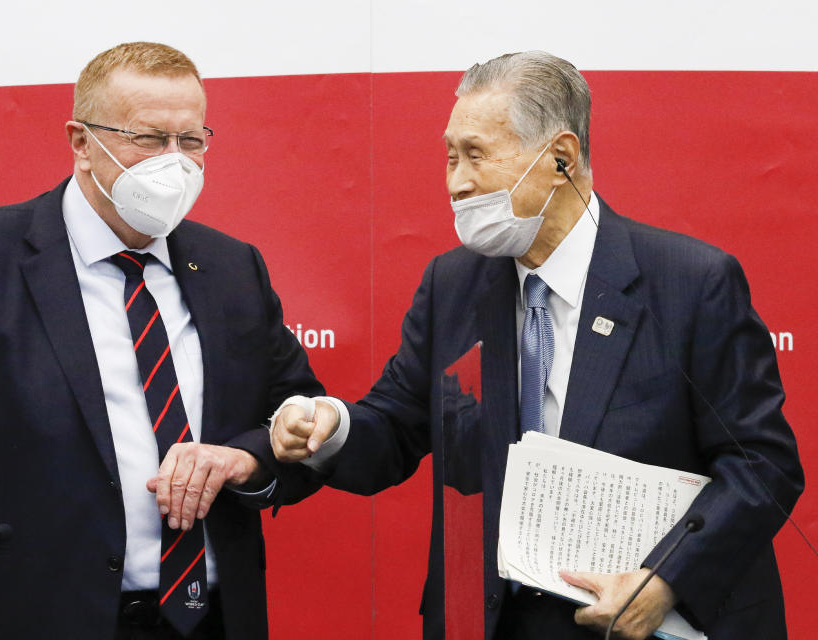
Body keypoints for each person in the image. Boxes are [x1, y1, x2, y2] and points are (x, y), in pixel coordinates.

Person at [268, 51, 804, 639]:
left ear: (561, 158)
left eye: (475, 155)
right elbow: (395, 426)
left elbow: (762, 463)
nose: (456, 182)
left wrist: (665, 579)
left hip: (647, 623)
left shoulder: (691, 282)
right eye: (449, 156)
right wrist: (329, 424)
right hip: (493, 621)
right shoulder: (452, 284)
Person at [0, 42, 324, 640]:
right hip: (26, 621)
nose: (175, 162)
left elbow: (298, 419)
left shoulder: (233, 266)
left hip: (208, 620)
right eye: (151, 139)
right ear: (81, 141)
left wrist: (247, 457)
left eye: (193, 141)